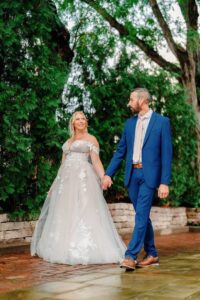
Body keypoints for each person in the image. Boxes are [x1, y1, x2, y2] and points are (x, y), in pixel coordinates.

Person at [31, 111, 126, 265]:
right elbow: (62, 165)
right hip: (66, 181)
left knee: (83, 209)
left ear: (86, 123)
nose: (81, 121)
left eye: (83, 119)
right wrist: (54, 185)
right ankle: (63, 246)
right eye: (78, 119)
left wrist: (103, 177)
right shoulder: (68, 141)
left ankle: (85, 248)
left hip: (83, 179)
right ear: (73, 123)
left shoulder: (91, 139)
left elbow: (96, 161)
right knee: (66, 210)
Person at [102, 88, 172, 270]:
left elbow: (166, 154)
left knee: (141, 215)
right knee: (142, 215)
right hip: (132, 175)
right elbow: (120, 151)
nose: (129, 103)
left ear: (142, 100)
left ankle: (130, 256)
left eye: (131, 99)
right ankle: (152, 253)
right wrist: (109, 173)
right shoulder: (129, 124)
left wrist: (164, 182)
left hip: (150, 177)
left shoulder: (162, 122)